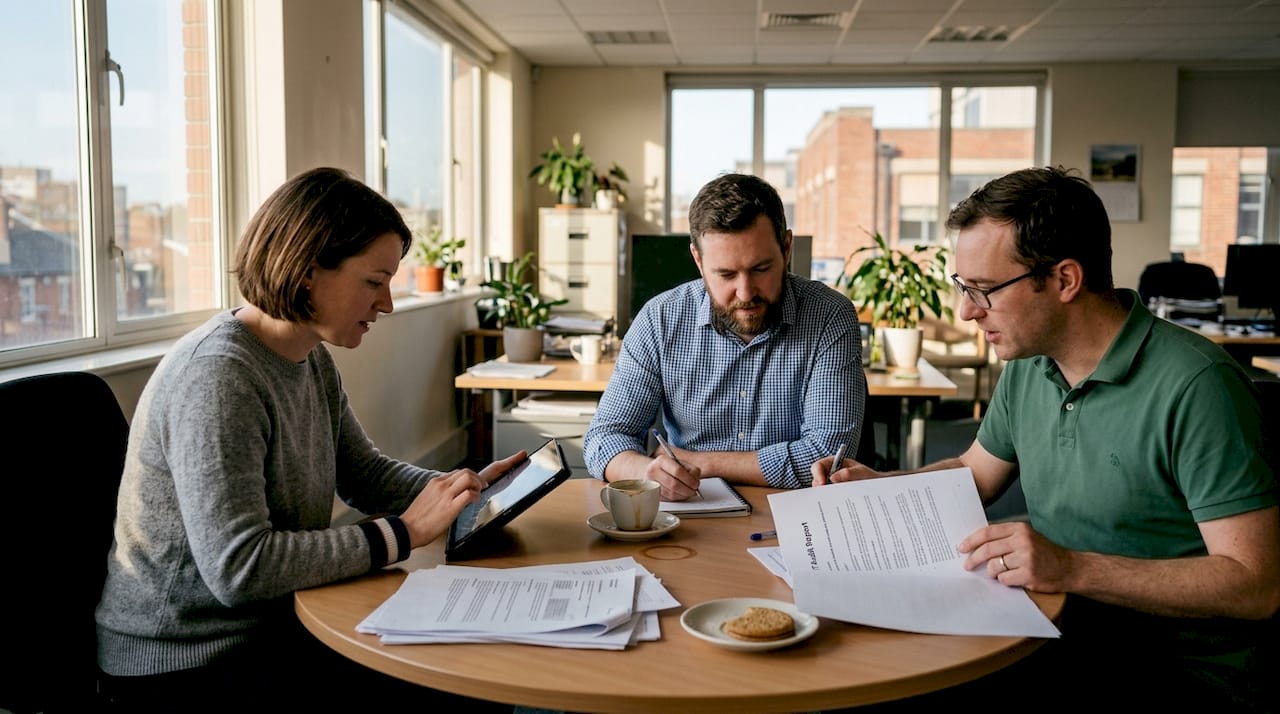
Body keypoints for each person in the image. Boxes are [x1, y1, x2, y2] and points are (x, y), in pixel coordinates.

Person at [812, 165, 1278, 709]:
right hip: (1055, 622)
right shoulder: (1031, 365)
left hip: (1175, 666)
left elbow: (1255, 585)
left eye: (984, 289)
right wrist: (883, 487)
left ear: (1064, 280)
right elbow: (976, 475)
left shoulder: (1199, 386)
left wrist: (1073, 566)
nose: (966, 310)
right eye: (964, 288)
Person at [95, 167, 522, 712]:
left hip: (269, 626)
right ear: (306, 273)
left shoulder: (308, 357)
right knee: (459, 689)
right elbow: (240, 568)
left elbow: (361, 471)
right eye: (373, 282)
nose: (386, 303)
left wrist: (456, 489)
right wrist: (406, 531)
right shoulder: (218, 378)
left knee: (472, 668)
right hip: (184, 663)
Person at [583, 172, 866, 497]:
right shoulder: (659, 320)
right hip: (686, 524)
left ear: (787, 248)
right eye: (726, 274)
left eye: (761, 269)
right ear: (698, 260)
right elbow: (605, 438)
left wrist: (699, 463)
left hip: (791, 521)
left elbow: (826, 457)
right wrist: (647, 471)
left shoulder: (829, 315)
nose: (745, 293)